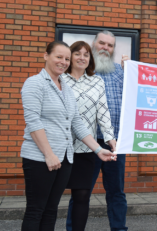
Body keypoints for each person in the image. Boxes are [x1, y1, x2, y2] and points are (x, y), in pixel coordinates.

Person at [20, 41, 116, 231]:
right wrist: (49, 154)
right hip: (40, 157)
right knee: (36, 210)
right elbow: (33, 122)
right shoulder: (35, 83)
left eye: (65, 58)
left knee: (50, 210)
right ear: (46, 56)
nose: (63, 62)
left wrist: (98, 150)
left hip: (64, 157)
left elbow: (76, 122)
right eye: (59, 57)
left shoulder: (64, 86)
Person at [66, 31, 129, 231]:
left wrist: (131, 72)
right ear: (94, 44)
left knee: (116, 191)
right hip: (86, 143)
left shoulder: (121, 72)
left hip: (115, 142)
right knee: (81, 192)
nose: (105, 48)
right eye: (102, 43)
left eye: (110, 45)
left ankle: (119, 229)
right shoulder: (82, 72)